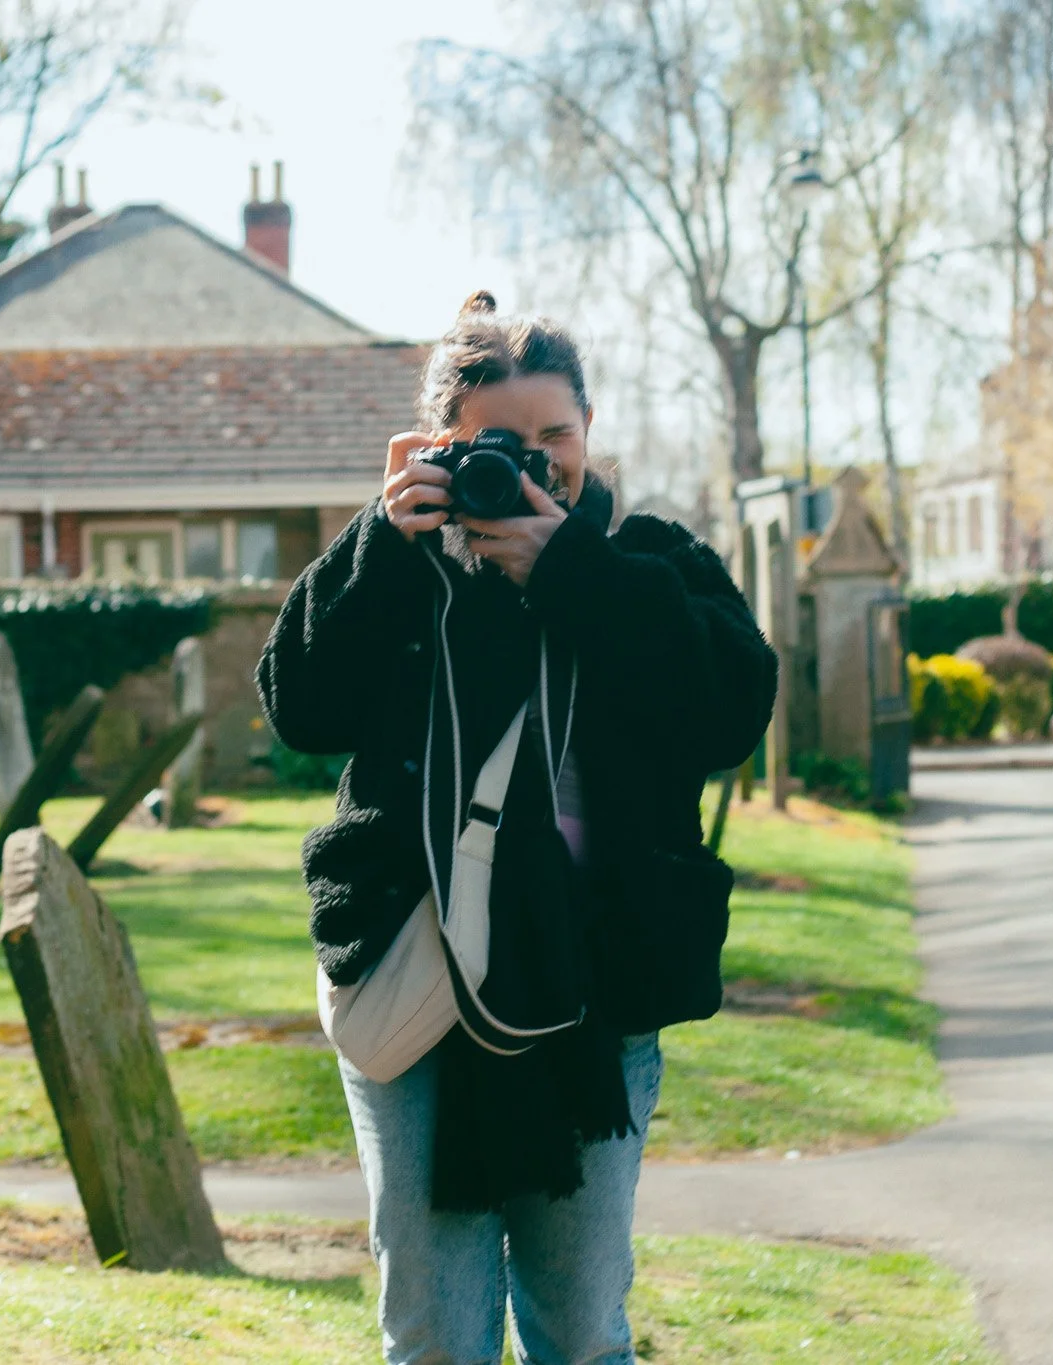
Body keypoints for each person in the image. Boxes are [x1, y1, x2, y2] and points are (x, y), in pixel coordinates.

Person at [257, 291, 776, 1365]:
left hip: (594, 988)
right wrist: (380, 540)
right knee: (434, 1336)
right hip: (415, 978)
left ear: (589, 433)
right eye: (501, 443)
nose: (535, 466)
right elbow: (297, 707)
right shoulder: (396, 570)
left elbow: (732, 708)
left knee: (581, 1329)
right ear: (441, 446)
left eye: (557, 438)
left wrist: (571, 574)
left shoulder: (646, 561)